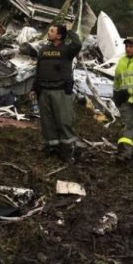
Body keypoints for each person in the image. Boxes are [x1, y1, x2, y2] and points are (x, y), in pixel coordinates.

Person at [30, 24, 81, 164]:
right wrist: (34, 88)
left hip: (60, 90)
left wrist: (69, 30)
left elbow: (77, 44)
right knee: (47, 122)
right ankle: (52, 147)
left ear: (59, 35)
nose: (49, 32)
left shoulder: (67, 50)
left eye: (52, 31)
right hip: (44, 91)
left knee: (64, 121)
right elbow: (38, 70)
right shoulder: (44, 50)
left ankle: (68, 150)